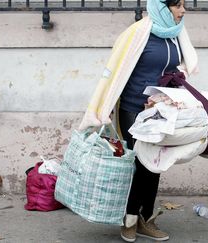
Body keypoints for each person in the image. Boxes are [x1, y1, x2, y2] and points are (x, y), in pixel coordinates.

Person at [78, 0, 198, 241]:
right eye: (178, 6)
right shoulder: (136, 34)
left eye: (183, 5)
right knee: (140, 165)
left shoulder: (175, 35)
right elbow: (116, 70)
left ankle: (146, 219)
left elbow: (180, 67)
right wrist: (105, 106)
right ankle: (130, 220)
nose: (183, 11)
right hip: (133, 109)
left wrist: (172, 85)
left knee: (155, 164)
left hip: (160, 111)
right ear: (162, 8)